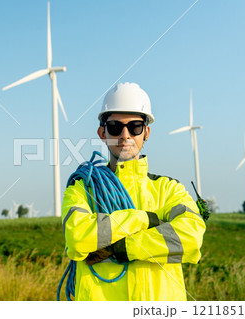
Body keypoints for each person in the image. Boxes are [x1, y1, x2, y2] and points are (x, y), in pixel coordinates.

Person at [61, 82, 206, 301]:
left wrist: (122, 248)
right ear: (102, 133)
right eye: (115, 127)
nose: (125, 135)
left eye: (135, 126)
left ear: (146, 132)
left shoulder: (168, 189)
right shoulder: (83, 188)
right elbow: (77, 239)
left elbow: (191, 238)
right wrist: (145, 219)